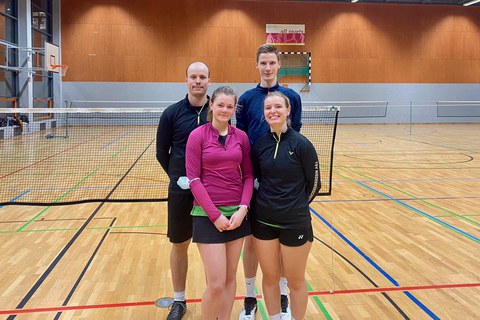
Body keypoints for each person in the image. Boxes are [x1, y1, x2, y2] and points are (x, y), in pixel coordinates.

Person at [236, 43, 302, 319]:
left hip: (282, 179)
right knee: (252, 241)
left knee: (284, 240)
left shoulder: (291, 97)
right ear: (257, 65)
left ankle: (284, 294)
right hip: (252, 177)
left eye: (272, 63)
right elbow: (239, 135)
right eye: (263, 63)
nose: (267, 68)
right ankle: (250, 297)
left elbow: (295, 131)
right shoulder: (247, 98)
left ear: (278, 65)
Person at [185, 86, 254, 319]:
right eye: (220, 105)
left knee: (231, 278)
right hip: (207, 216)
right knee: (215, 283)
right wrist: (215, 216)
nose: (225, 110)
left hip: (237, 215)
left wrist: (243, 209)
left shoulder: (241, 137)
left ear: (234, 109)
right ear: (211, 105)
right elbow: (193, 179)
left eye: (229, 106)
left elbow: (248, 176)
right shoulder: (197, 136)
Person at [251, 91, 320, 320]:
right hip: (264, 223)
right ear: (264, 113)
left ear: (288, 110)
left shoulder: (302, 145)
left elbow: (314, 184)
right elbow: (258, 179)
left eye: (278, 106)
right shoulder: (259, 145)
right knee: (270, 277)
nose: (273, 111)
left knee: (295, 280)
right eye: (268, 107)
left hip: (295, 223)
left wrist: (296, 206)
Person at [156, 61, 211, 320]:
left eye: (202, 77)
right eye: (193, 77)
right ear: (186, 80)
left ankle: (216, 297)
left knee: (212, 246)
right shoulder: (171, 113)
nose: (198, 81)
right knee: (180, 244)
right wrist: (178, 177)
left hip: (213, 193)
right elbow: (161, 152)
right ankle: (179, 300)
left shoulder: (219, 111)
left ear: (209, 81)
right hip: (181, 191)